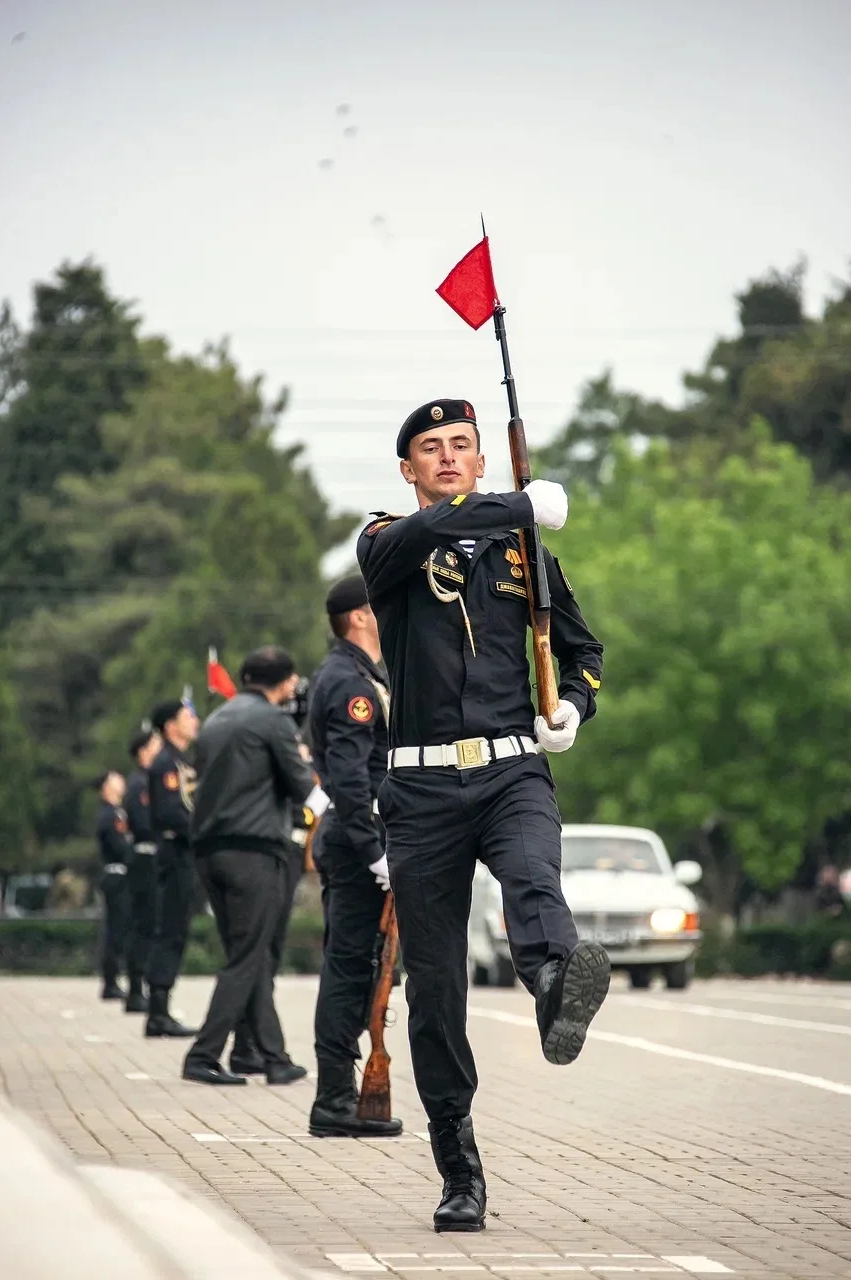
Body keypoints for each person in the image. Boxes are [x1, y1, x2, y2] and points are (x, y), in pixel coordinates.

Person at [357, 398, 610, 1233]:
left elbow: (583, 651)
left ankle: (555, 986)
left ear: (480, 457)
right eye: (430, 447)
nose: (447, 456)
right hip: (421, 790)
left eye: (461, 444)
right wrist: (518, 505)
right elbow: (434, 528)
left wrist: (571, 707)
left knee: (534, 877)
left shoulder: (523, 553)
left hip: (510, 770)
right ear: (408, 469)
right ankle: (458, 1168)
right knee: (436, 991)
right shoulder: (387, 541)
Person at [183, 646, 329, 1085]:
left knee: (248, 953)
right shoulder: (273, 721)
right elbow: (304, 788)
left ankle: (263, 1054)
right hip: (254, 851)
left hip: (209, 850)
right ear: (285, 682)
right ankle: (203, 1055)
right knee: (250, 955)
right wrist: (350, 808)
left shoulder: (216, 719)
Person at [306, 574, 402, 1138]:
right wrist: (373, 853)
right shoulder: (349, 682)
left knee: (368, 966)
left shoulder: (363, 674)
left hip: (362, 838)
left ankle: (341, 1095)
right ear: (360, 616)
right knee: (348, 968)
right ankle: (334, 1100)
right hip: (356, 842)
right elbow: (348, 778)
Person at [145, 697, 201, 1038]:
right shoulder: (165, 763)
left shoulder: (182, 760)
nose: (195, 721)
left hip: (185, 851)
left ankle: (161, 1008)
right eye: (187, 716)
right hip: (174, 850)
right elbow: (170, 813)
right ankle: (157, 1012)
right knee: (169, 930)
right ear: (170, 726)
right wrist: (202, 830)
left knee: (177, 929)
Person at [122, 728, 163, 1014]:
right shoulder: (140, 784)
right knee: (144, 925)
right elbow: (143, 823)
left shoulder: (149, 780)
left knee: (151, 924)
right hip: (145, 857)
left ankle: (141, 986)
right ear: (143, 751)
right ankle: (136, 988)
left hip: (154, 858)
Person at [94, 770, 133, 1001]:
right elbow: (119, 845)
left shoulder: (118, 812)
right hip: (116, 874)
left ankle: (113, 978)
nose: (122, 782)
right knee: (115, 930)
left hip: (121, 875)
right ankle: (110, 981)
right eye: (116, 779)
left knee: (121, 928)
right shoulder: (109, 815)